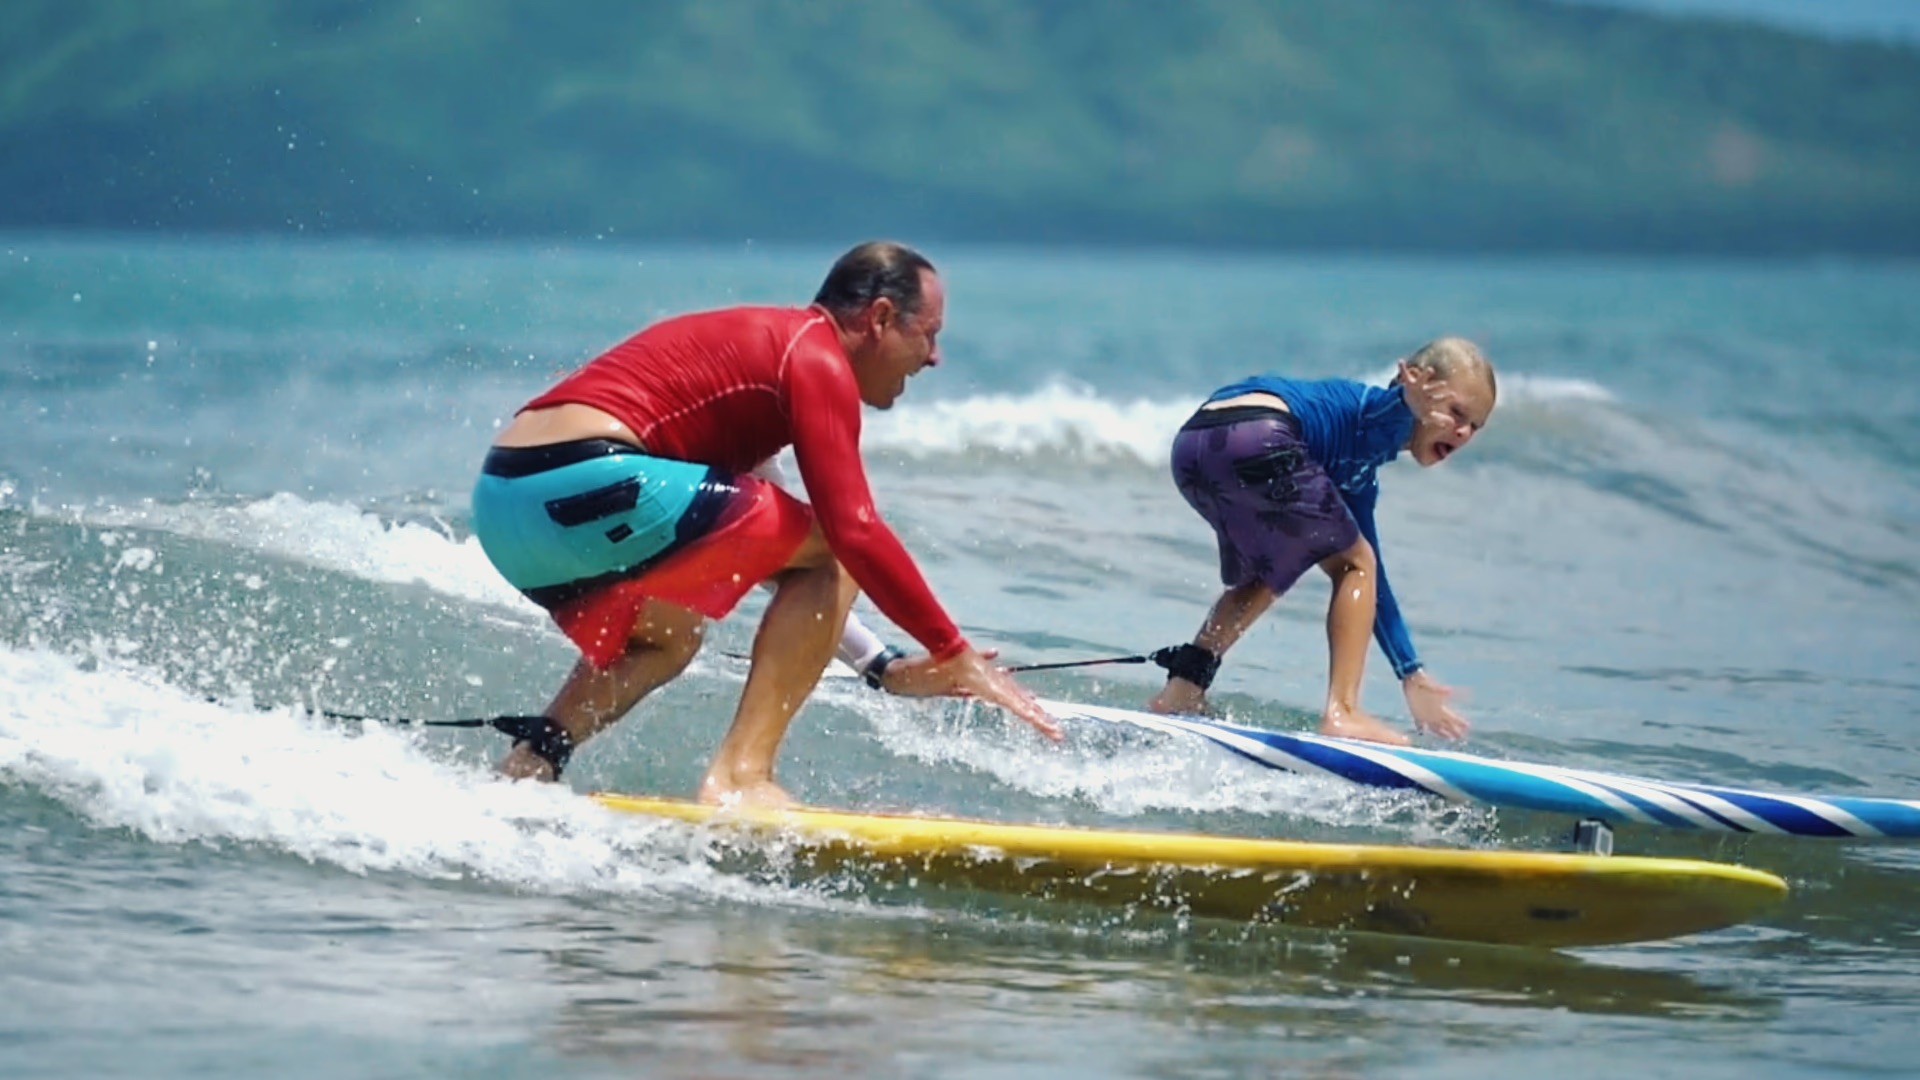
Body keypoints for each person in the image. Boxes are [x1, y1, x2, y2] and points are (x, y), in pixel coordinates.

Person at [469, 241, 1061, 806]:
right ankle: (742, 777)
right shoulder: (814, 354)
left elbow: (785, 558)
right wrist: (951, 650)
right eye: (927, 335)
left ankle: (532, 762)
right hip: (590, 476)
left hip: (508, 508)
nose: (933, 358)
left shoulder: (761, 367)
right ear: (880, 318)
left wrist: (881, 667)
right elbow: (852, 532)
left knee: (669, 640)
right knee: (836, 543)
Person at [1146, 339, 1497, 746]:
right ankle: (1343, 713)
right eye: (1456, 412)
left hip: (1195, 445)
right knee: (1353, 563)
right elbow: (1382, 410)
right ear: (1417, 381)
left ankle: (1184, 689)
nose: (1463, 431)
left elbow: (1373, 584)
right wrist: (1406, 401)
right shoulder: (1375, 412)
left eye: (1475, 425)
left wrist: (1409, 670)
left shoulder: (1357, 471)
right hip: (1260, 431)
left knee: (1271, 571)